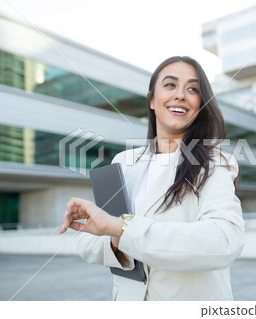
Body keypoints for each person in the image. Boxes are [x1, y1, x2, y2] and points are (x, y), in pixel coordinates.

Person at [59, 56, 245, 301]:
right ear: (151, 101)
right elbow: (88, 244)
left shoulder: (215, 162)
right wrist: (113, 236)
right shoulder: (123, 162)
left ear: (200, 104)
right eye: (170, 85)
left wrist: (119, 228)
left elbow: (224, 241)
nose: (180, 95)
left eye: (192, 89)